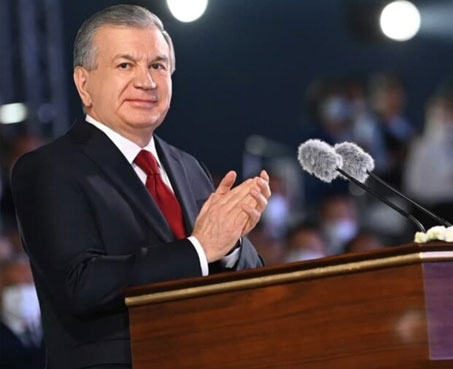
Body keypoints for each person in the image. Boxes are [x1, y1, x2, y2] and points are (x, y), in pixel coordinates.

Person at [11, 5, 270, 368]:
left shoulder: (189, 167)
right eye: (125, 65)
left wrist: (228, 245)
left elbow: (252, 280)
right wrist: (198, 248)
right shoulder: (48, 169)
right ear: (83, 83)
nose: (146, 82)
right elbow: (80, 285)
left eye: (158, 66)